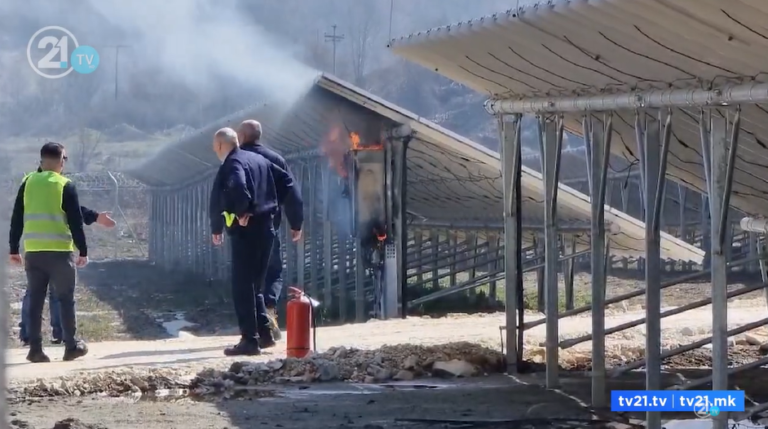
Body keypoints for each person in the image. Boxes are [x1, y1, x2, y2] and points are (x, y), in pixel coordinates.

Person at [209, 127, 299, 356]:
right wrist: (270, 204)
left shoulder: (232, 163)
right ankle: (265, 334)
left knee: (242, 285)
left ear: (220, 145)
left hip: (247, 232)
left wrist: (245, 209)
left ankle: (249, 340)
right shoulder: (259, 160)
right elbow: (287, 181)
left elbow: (238, 187)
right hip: (267, 228)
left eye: (214, 145)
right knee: (256, 285)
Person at [8, 142, 90, 363]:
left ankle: (35, 350)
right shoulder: (65, 185)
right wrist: (83, 250)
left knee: (35, 299)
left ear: (42, 160)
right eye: (65, 159)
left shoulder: (27, 182)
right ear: (60, 160)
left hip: (34, 252)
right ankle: (71, 346)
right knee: (65, 299)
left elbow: (17, 217)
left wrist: (13, 248)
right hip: (60, 253)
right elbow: (75, 222)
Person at [17, 175, 115, 346]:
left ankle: (30, 335)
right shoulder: (56, 185)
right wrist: (95, 219)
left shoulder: (30, 185)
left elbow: (70, 209)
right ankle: (61, 334)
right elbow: (73, 211)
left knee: (35, 293)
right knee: (58, 294)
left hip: (35, 247)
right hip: (57, 248)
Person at [237, 120, 303, 344]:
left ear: (241, 136)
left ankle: (253, 325)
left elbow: (226, 193)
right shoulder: (275, 159)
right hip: (269, 225)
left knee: (246, 276)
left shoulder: (235, 159)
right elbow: (291, 192)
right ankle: (269, 308)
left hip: (242, 227)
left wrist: (221, 223)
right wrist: (296, 223)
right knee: (272, 269)